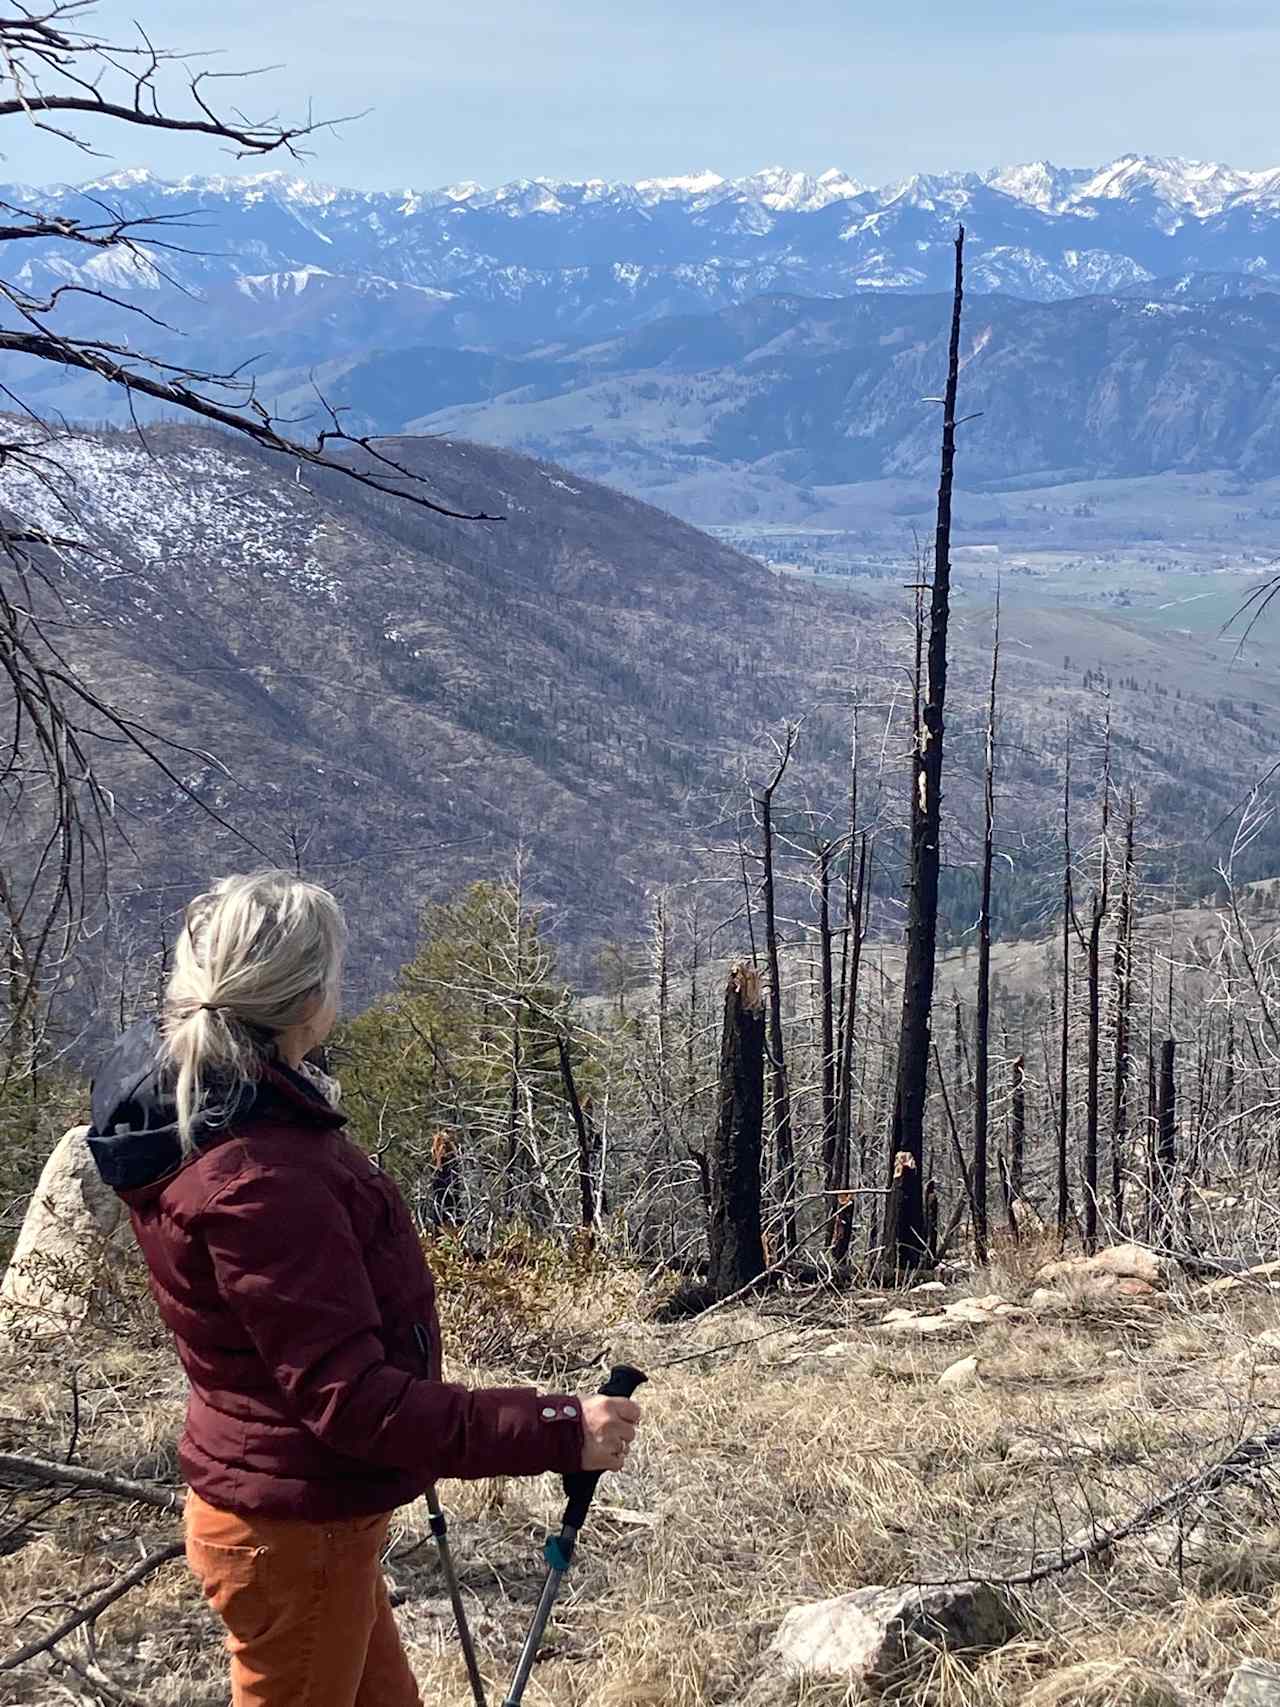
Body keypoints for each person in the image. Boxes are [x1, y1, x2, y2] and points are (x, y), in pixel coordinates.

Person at [85, 870, 640, 1707]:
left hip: (291, 1512)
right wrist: (557, 1428)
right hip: (295, 1529)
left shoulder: (205, 1117)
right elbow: (355, 1403)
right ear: (306, 1000)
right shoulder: (261, 1174)